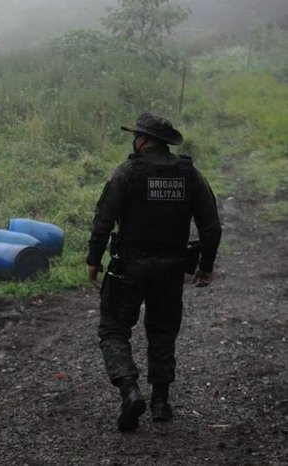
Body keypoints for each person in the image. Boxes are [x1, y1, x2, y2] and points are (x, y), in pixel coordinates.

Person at [86, 113, 221, 431]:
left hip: (127, 268)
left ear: (143, 140)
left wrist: (94, 258)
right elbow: (211, 227)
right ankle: (160, 402)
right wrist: (206, 267)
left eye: (136, 136)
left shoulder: (128, 172)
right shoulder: (190, 175)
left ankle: (130, 391)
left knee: (114, 329)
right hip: (172, 270)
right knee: (162, 332)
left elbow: (103, 218)